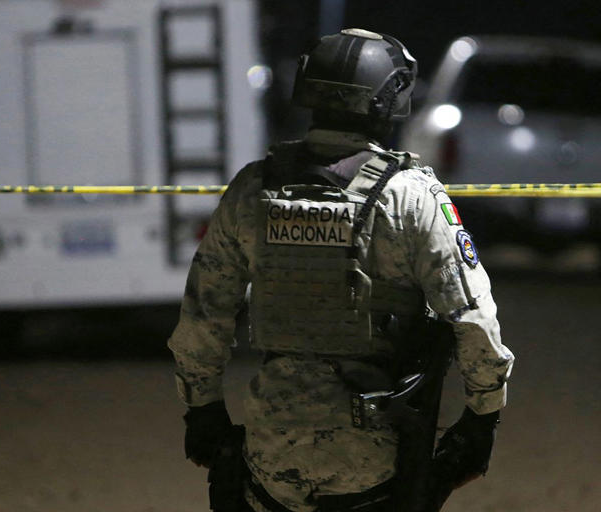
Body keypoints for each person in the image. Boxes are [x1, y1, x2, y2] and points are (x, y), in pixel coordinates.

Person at [168, 28, 514, 512]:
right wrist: (481, 420)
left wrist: (202, 409)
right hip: (372, 463)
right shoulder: (410, 196)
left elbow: (203, 319)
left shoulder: (253, 188)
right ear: (389, 99)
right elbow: (474, 321)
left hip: (270, 460)